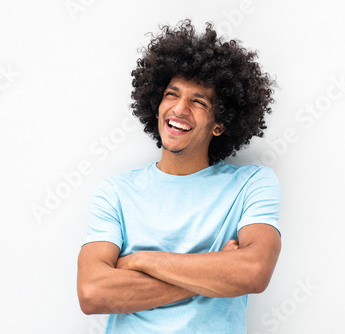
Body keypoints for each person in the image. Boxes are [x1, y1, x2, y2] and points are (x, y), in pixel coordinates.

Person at [77, 19, 281, 333]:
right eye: (172, 95)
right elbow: (92, 293)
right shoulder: (115, 191)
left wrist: (140, 261)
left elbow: (253, 272)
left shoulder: (252, 184)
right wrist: (216, 272)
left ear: (220, 124)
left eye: (198, 101)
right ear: (156, 106)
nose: (180, 109)